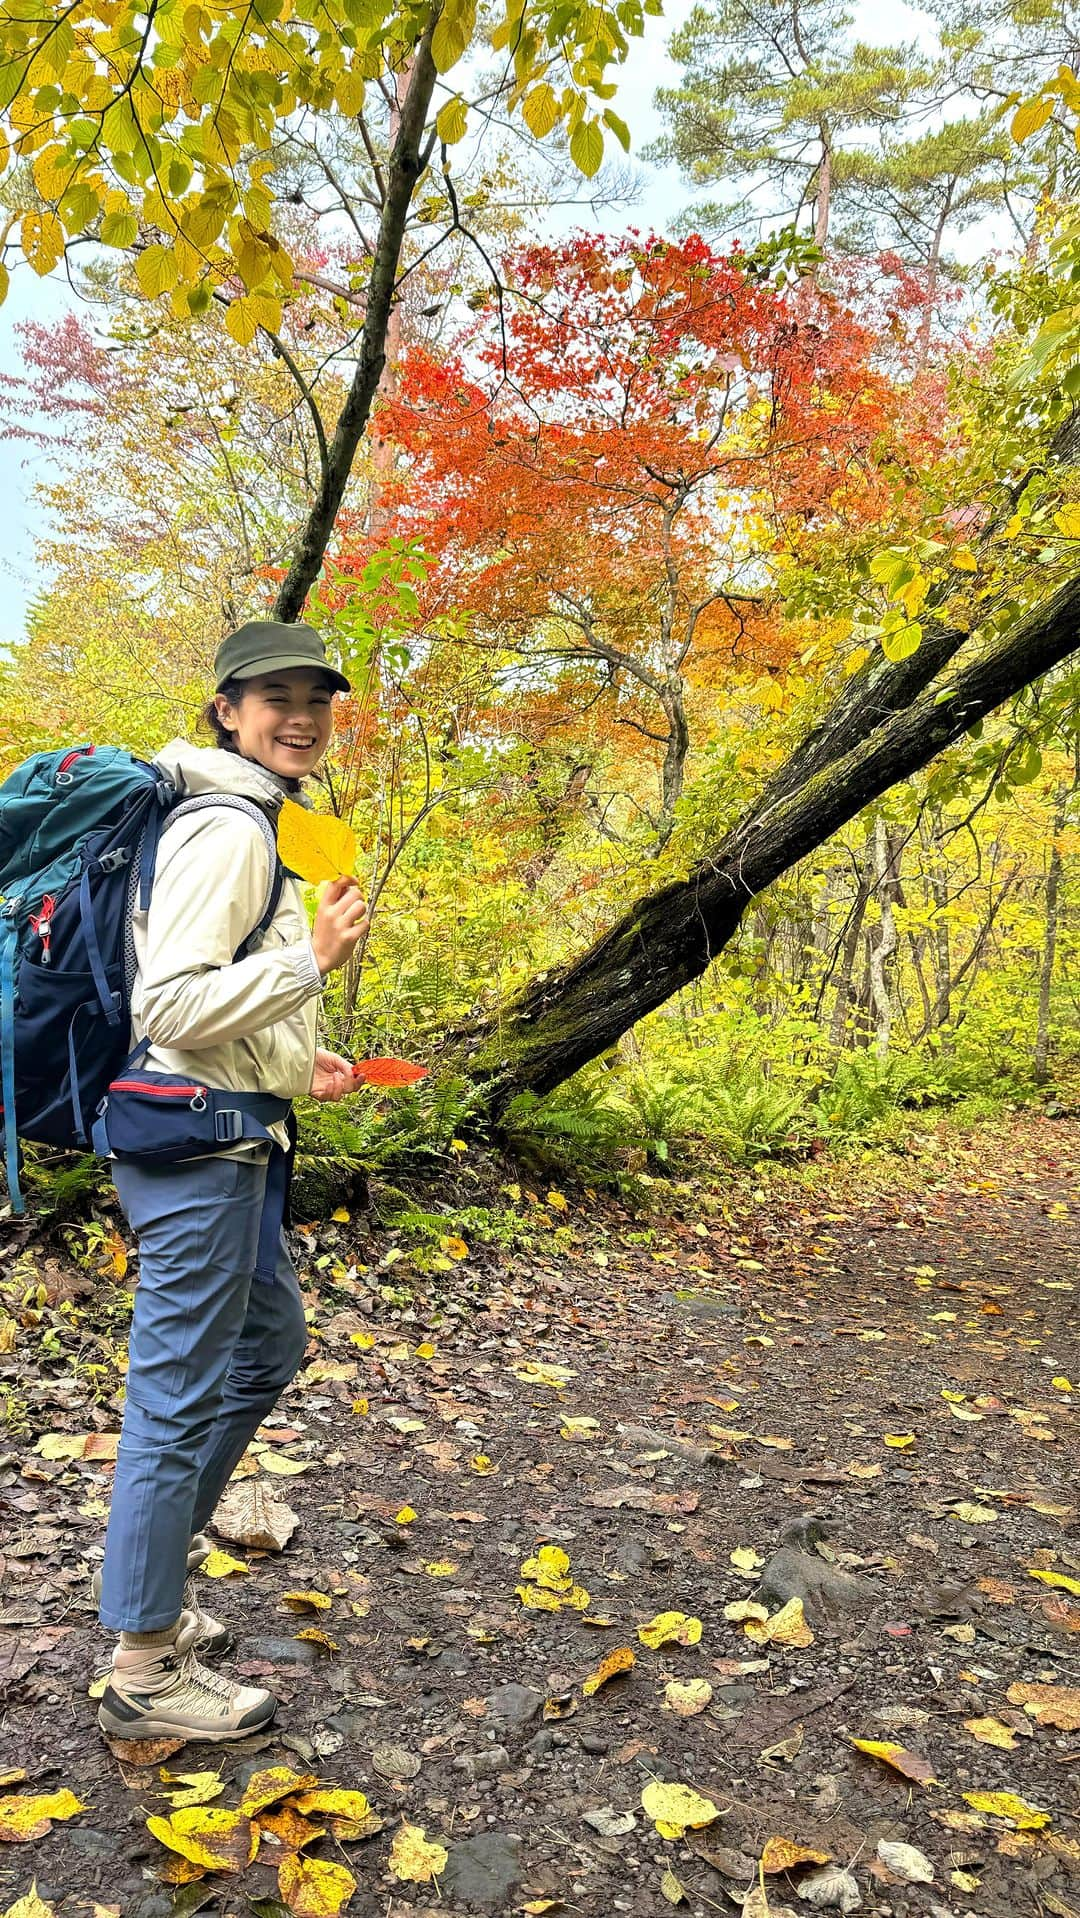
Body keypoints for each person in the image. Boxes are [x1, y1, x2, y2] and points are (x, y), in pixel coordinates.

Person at [93, 620, 369, 1744]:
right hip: (197, 1152)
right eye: (274, 697)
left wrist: (297, 1061)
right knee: (175, 1396)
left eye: (316, 698)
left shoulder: (251, 815)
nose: (299, 716)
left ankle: (150, 1602)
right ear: (226, 708)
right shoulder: (227, 825)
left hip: (236, 1133)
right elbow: (169, 1007)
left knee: (265, 1350)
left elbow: (211, 1010)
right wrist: (312, 963)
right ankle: (144, 1665)